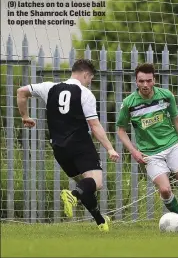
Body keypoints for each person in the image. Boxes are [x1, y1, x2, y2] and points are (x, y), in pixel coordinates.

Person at [17, 59, 119, 232]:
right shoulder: (85, 94)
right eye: (90, 79)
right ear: (86, 74)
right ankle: (71, 195)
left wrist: (25, 116)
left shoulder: (49, 87)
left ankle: (101, 222)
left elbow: (21, 92)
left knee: (86, 186)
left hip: (59, 149)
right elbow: (94, 125)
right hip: (80, 145)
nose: (90, 82)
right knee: (96, 182)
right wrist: (110, 148)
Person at [116, 63, 178, 226]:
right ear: (136, 82)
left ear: (154, 80)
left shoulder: (166, 95)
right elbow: (120, 130)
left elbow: (177, 120)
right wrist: (134, 151)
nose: (145, 85)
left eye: (148, 80)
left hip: (173, 145)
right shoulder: (128, 103)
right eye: (141, 81)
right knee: (165, 190)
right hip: (150, 153)